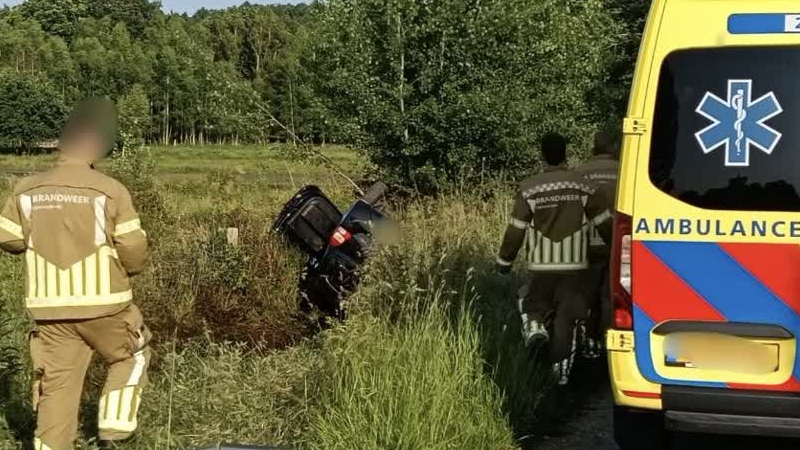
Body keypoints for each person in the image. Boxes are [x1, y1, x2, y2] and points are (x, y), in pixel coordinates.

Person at [0, 99, 151, 450]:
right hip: (106, 305)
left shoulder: (25, 190)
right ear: (95, 146)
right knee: (132, 355)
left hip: (50, 309)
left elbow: (8, 237)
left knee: (58, 385)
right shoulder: (110, 190)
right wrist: (130, 270)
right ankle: (113, 433)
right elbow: (133, 249)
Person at [496, 132, 612, 386]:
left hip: (541, 264)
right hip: (575, 265)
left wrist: (504, 262)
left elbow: (516, 228)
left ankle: (536, 327)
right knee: (566, 316)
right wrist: (614, 247)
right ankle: (560, 376)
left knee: (531, 302)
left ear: (543, 154)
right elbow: (603, 223)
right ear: (565, 153)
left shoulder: (530, 188)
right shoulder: (582, 185)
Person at [575, 131, 619, 359]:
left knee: (586, 295)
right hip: (615, 246)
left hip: (584, 247)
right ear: (614, 148)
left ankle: (587, 343)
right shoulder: (625, 172)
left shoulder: (578, 174)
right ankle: (608, 347)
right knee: (610, 296)